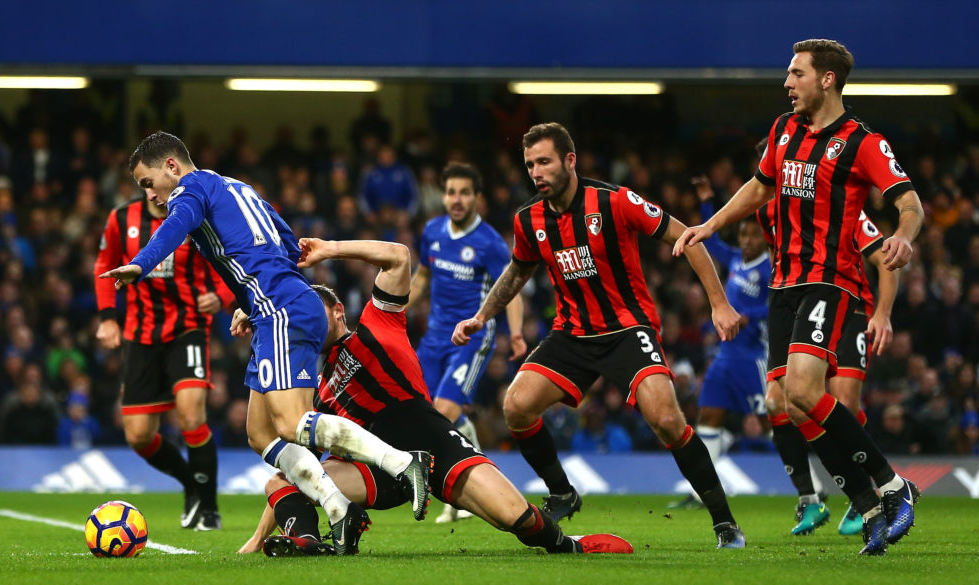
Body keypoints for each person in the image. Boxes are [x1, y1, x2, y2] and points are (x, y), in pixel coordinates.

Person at [99, 132, 431, 552]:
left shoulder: (189, 190)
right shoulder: (237, 187)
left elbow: (174, 229)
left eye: (148, 183)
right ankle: (340, 511)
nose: (149, 195)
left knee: (293, 423)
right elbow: (287, 242)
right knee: (260, 433)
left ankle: (402, 462)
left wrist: (139, 264)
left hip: (281, 310)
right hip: (278, 305)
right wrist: (248, 300)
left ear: (171, 166)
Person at [673, 39, 922, 555]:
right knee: (786, 403)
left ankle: (895, 489)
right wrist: (710, 223)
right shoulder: (784, 130)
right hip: (783, 285)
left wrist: (904, 235)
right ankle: (866, 502)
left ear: (826, 79)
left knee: (807, 390)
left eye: (796, 74)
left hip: (830, 280)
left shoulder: (862, 142)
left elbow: (910, 203)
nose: (787, 83)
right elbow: (760, 187)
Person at [237, 237, 633, 557]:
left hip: (432, 444)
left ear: (339, 310)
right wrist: (257, 538)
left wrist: (332, 249)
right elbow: (296, 459)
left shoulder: (378, 324)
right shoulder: (316, 386)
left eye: (310, 310)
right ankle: (307, 543)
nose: (302, 319)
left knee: (517, 519)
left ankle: (570, 546)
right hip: (378, 472)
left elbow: (397, 257)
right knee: (280, 481)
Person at [453, 122, 746, 549]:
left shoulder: (614, 201)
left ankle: (724, 522)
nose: (536, 172)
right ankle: (562, 492)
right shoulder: (528, 219)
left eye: (545, 162)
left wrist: (719, 303)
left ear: (570, 161)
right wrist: (483, 316)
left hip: (628, 328)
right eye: (530, 164)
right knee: (516, 405)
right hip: (572, 333)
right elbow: (518, 269)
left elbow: (686, 237)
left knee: (666, 419)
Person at [94, 192, 236, 530]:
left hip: (188, 329)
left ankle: (209, 507)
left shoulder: (196, 217)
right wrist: (107, 317)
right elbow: (103, 264)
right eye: (145, 182)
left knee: (190, 416)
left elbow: (228, 261)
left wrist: (222, 295)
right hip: (140, 337)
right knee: (139, 436)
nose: (153, 190)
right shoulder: (120, 219)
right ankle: (192, 485)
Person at [756, 204, 900, 537]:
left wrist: (883, 313)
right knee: (779, 402)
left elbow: (884, 259)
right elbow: (776, 258)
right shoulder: (766, 212)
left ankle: (866, 489)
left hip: (849, 307)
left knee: (844, 401)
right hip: (797, 308)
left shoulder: (840, 203)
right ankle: (811, 498)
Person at [408, 162, 527, 523]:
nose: (456, 200)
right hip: (434, 337)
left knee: (442, 412)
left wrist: (517, 333)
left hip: (472, 338)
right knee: (418, 412)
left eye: (463, 193)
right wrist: (393, 310)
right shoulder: (432, 231)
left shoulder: (489, 242)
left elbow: (513, 288)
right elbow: (422, 276)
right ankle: (467, 450)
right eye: (450, 192)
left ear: (477, 198)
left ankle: (460, 491)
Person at [668, 178, 772, 510]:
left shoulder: (771, 268)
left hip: (754, 352)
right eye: (743, 234)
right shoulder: (738, 260)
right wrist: (707, 204)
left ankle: (814, 486)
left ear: (765, 238)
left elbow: (780, 302)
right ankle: (702, 490)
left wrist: (748, 316)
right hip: (727, 352)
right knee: (709, 413)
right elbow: (711, 247)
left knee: (774, 418)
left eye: (753, 235)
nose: (746, 241)